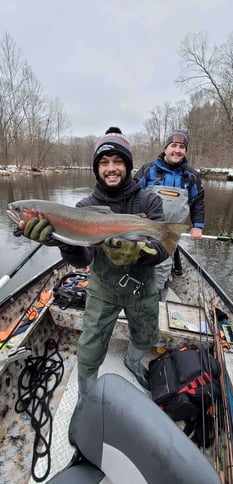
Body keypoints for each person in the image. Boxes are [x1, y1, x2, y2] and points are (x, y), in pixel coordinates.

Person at [15, 127, 169, 446]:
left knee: (146, 334)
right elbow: (81, 259)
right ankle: (86, 397)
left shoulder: (149, 201)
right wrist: (59, 240)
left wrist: (141, 252)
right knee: (89, 346)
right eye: (104, 162)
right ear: (97, 168)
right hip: (102, 285)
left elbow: (164, 249)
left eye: (117, 161)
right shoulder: (84, 205)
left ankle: (133, 361)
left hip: (142, 286)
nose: (111, 167)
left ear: (127, 164)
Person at [134, 129, 205, 286]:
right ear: (166, 148)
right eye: (173, 145)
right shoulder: (147, 169)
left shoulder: (192, 176)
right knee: (138, 257)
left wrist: (198, 226)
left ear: (185, 150)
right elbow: (131, 194)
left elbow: (198, 201)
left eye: (181, 146)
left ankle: (157, 292)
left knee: (163, 263)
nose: (177, 150)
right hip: (146, 228)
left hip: (171, 232)